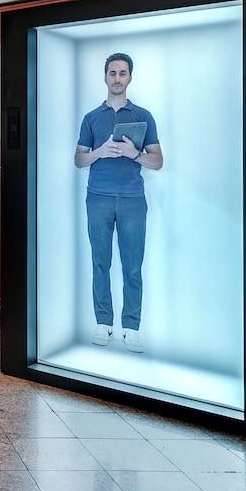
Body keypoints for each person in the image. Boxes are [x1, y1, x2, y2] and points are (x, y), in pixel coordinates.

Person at [75, 53, 163, 353]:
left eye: (122, 73)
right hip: (98, 197)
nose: (117, 78)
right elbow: (79, 160)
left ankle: (131, 328)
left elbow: (157, 161)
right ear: (105, 77)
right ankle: (103, 324)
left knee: (132, 266)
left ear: (130, 78)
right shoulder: (91, 118)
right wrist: (99, 152)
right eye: (112, 73)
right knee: (100, 263)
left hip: (133, 200)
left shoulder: (143, 116)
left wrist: (133, 153)